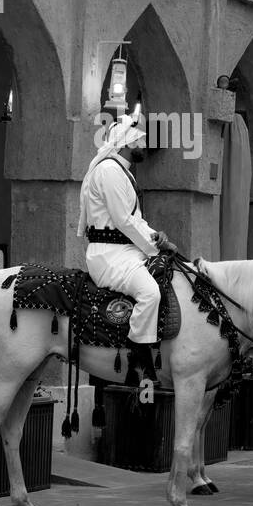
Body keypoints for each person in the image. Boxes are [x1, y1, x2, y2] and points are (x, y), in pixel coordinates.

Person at [79, 115, 176, 383]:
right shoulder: (110, 171)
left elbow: (134, 220)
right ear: (125, 142)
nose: (144, 143)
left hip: (124, 252)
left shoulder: (122, 171)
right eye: (140, 139)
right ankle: (138, 358)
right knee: (150, 293)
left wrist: (156, 237)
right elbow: (123, 220)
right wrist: (154, 248)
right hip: (110, 256)